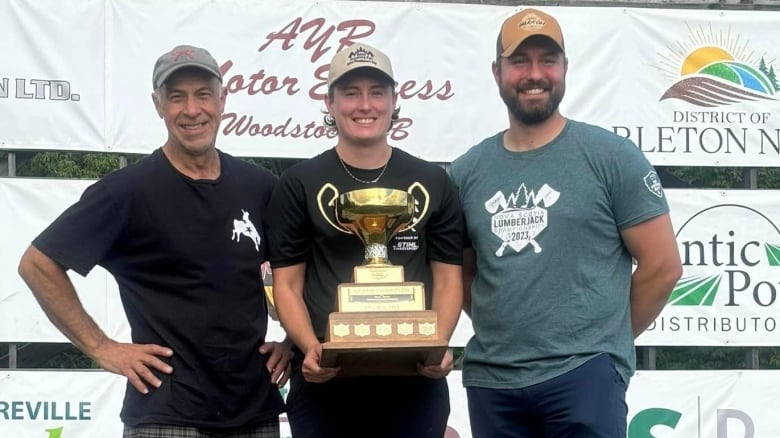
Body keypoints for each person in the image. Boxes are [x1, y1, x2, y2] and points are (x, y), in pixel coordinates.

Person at [17, 44, 291, 438]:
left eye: (203, 94)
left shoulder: (260, 186)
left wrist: (293, 342)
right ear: (157, 104)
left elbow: (297, 272)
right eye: (176, 97)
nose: (192, 109)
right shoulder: (127, 191)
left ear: (222, 99)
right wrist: (100, 347)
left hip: (253, 413)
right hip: (165, 415)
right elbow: (37, 264)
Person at [448, 9, 683, 437]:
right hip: (493, 381)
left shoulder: (612, 158)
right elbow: (460, 274)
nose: (534, 74)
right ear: (497, 71)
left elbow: (663, 266)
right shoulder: (465, 173)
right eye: (520, 61)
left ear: (565, 69)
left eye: (547, 60)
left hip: (585, 375)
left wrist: (603, 339)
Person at [264, 42, 463, 438]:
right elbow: (287, 284)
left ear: (394, 100)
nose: (364, 105)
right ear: (330, 102)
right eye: (351, 93)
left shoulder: (434, 182)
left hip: (414, 383)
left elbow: (448, 279)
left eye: (376, 92)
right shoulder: (298, 184)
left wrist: (438, 343)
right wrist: (309, 346)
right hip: (325, 380)